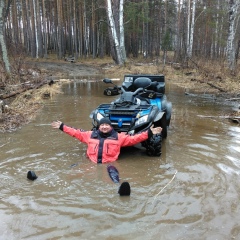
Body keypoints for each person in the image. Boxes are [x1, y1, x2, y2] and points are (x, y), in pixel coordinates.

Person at [51, 118, 162, 164]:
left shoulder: (119, 137)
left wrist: (149, 133)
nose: (104, 127)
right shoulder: (89, 135)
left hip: (110, 165)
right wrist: (62, 127)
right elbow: (75, 133)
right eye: (102, 125)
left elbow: (134, 139)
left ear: (111, 127)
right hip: (91, 164)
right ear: (99, 127)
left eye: (106, 125)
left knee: (114, 180)